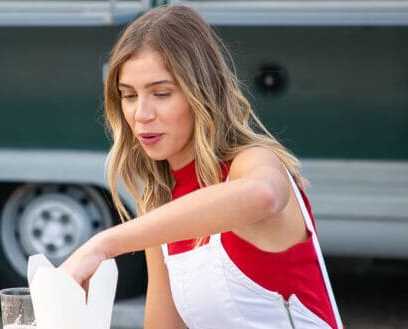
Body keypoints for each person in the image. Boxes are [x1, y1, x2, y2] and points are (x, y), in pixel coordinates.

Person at [60, 5, 342, 329]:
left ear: (202, 93)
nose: (141, 113)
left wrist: (104, 244)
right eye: (128, 96)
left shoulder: (252, 162)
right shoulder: (160, 200)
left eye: (161, 93)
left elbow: (263, 194)